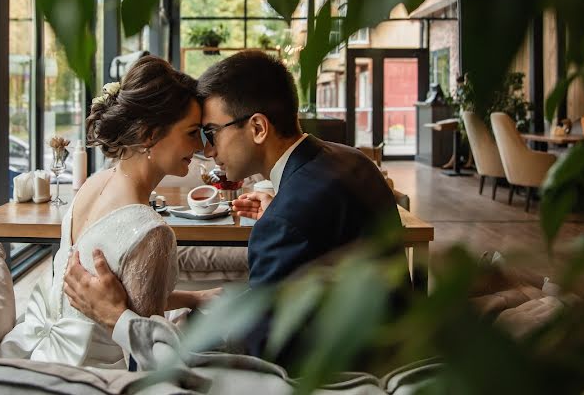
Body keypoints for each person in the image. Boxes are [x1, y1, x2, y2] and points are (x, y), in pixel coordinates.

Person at [64, 51, 406, 365]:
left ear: (257, 127)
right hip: (392, 349)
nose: (207, 150)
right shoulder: (352, 160)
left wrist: (118, 319)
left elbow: (266, 358)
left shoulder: (286, 220)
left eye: (211, 132)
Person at [0, 55, 219, 369]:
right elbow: (145, 353)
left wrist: (192, 298)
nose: (201, 146)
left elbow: (121, 298)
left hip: (37, 354)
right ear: (149, 135)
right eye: (192, 132)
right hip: (93, 376)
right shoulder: (150, 232)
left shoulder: (92, 183)